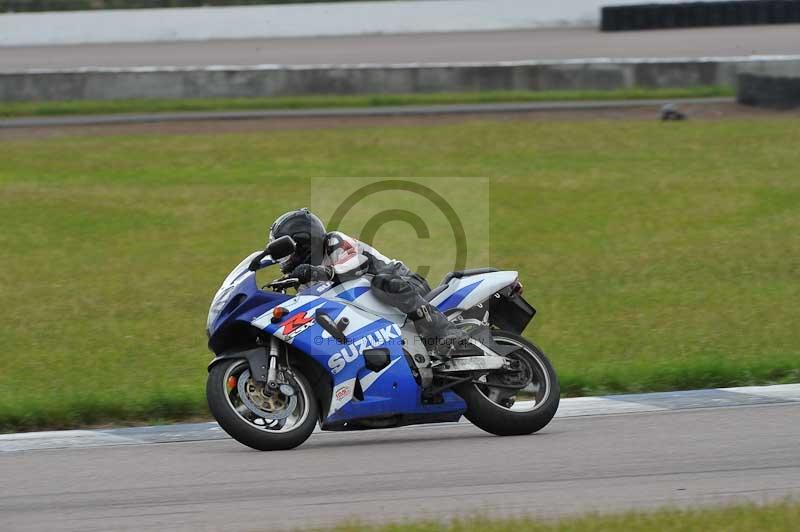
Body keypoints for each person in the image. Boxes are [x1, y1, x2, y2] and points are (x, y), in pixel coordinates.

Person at [268, 208, 470, 356]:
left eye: (287, 253)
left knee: (383, 282)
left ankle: (445, 331)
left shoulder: (334, 242)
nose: (283, 260)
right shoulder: (303, 280)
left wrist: (320, 272)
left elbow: (357, 264)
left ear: (304, 242)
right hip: (374, 311)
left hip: (405, 283)